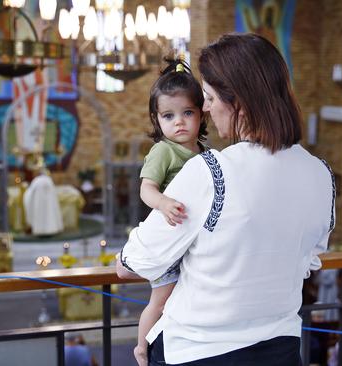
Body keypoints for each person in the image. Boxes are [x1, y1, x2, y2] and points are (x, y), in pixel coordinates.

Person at [117, 33, 336, 365]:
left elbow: (138, 261)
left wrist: (128, 251)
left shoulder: (210, 171)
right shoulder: (320, 174)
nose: (205, 108)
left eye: (209, 97)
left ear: (240, 103)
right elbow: (308, 260)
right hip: (281, 349)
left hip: (201, 350)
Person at [134, 57, 208, 366]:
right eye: (169, 115)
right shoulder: (163, 151)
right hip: (168, 237)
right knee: (161, 299)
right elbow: (146, 189)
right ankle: (141, 347)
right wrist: (163, 202)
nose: (179, 122)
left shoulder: (206, 153)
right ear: (157, 119)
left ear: (202, 115)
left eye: (187, 113)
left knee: (187, 297)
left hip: (192, 241)